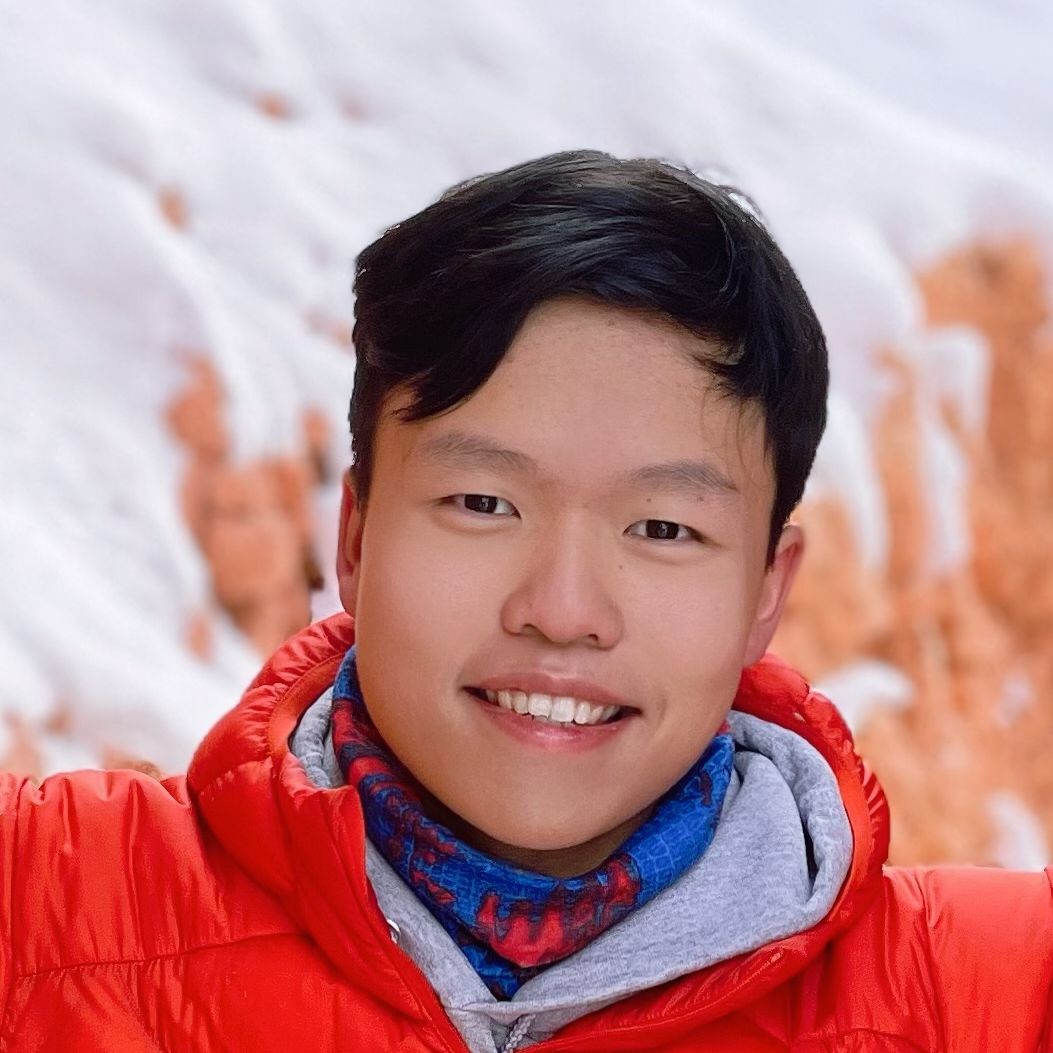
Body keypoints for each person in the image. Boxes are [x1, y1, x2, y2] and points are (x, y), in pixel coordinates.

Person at [1, 151, 1050, 1053]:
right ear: (356, 541)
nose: (562, 610)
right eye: (483, 501)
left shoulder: (988, 997)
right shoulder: (51, 905)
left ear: (765, 594)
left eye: (663, 529)